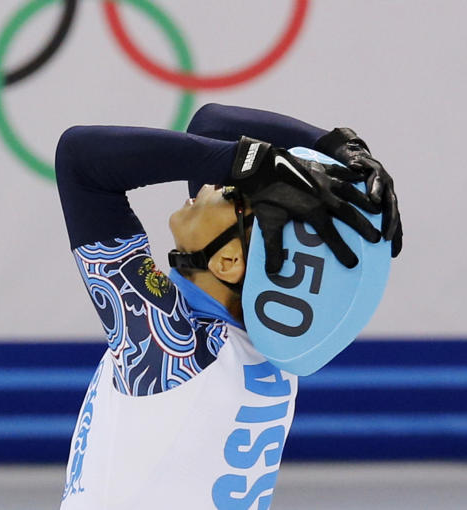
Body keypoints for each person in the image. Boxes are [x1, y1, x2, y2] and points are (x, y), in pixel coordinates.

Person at [55, 102, 401, 510]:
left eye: (233, 194)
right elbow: (211, 125)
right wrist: (340, 149)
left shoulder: (174, 349)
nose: (214, 183)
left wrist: (254, 160)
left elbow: (79, 160)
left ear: (229, 262)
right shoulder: (264, 338)